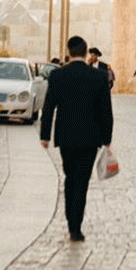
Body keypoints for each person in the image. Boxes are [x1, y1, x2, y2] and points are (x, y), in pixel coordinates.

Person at [39, 36, 114, 242]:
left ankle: (70, 219)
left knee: (69, 178)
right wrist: (107, 138)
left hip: (66, 137)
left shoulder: (57, 75)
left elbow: (48, 108)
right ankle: (76, 227)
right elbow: (105, 111)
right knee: (82, 181)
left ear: (69, 51)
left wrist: (45, 135)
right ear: (86, 51)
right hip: (90, 138)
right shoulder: (98, 77)